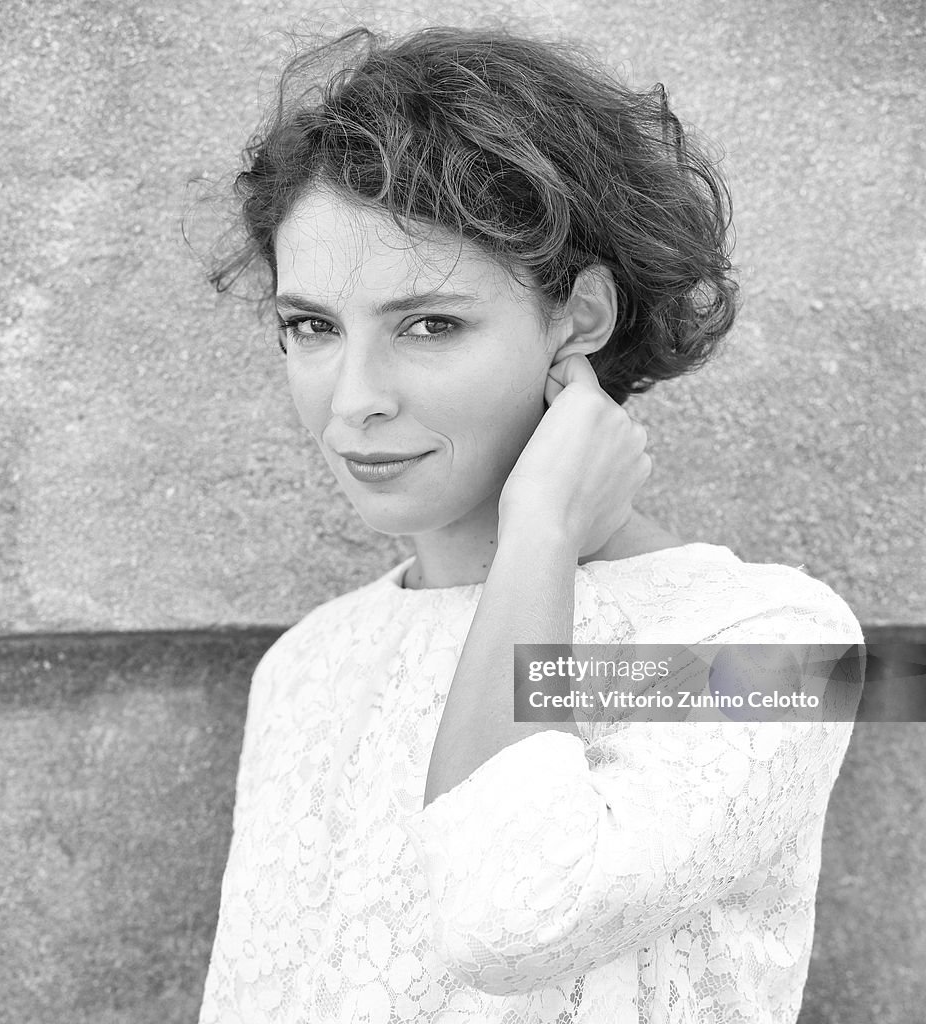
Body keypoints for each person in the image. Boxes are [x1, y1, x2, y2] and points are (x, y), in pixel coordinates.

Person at [193, 25, 864, 1024]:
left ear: (580, 317)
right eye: (313, 327)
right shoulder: (308, 663)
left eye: (430, 323)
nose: (354, 400)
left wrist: (540, 533)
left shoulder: (771, 645)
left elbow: (508, 916)